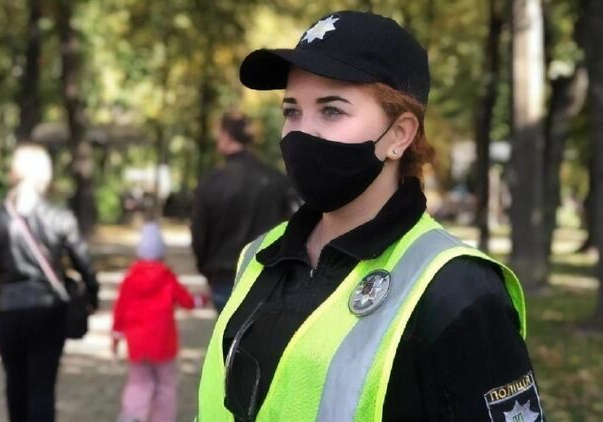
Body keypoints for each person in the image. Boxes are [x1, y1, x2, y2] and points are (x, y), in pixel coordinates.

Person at [197, 11, 543, 421]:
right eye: (292, 111)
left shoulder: (457, 290)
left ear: (399, 134)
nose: (302, 132)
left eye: (332, 110)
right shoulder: (259, 255)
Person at [0, 144, 99, 422]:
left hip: (8, 313)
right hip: (48, 312)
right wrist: (91, 299)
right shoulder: (60, 218)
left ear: (13, 174)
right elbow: (85, 266)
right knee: (43, 389)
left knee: (15, 386)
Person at [191, 111, 296, 313]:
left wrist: (206, 269)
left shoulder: (211, 182)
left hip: (224, 276)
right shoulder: (277, 180)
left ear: (226, 136)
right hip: (266, 276)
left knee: (226, 332)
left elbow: (199, 234)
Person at [112, 221, 206, 422]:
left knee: (138, 382)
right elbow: (186, 300)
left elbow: (120, 309)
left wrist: (116, 335)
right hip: (163, 344)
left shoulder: (130, 279)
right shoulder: (167, 277)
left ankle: (133, 415)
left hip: (137, 344)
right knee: (166, 385)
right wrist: (200, 300)